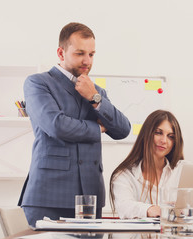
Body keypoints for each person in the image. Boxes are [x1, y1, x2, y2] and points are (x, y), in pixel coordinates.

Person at [20, 22, 131, 226]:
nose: (87, 60)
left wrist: (95, 98)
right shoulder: (38, 83)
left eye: (91, 54)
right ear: (61, 53)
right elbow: (56, 125)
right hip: (48, 195)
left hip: (90, 198)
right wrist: (97, 129)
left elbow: (123, 129)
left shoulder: (96, 91)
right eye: (80, 53)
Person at [109, 110, 184, 219]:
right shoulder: (124, 175)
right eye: (158, 133)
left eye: (171, 136)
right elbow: (124, 207)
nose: (164, 140)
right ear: (146, 134)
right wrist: (151, 209)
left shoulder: (182, 170)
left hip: (174, 234)